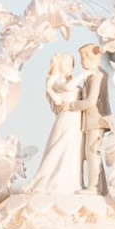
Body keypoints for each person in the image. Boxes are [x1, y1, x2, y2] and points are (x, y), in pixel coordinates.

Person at [28, 53, 83, 193]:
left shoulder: (66, 80)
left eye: (71, 64)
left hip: (76, 118)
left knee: (73, 150)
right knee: (62, 147)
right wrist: (86, 73)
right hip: (68, 119)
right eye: (66, 64)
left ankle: (71, 181)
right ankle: (52, 181)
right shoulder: (57, 80)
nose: (70, 67)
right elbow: (68, 88)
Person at [70, 42, 111, 193]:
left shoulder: (97, 76)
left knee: (92, 153)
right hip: (93, 120)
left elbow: (91, 101)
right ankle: (102, 187)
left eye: (83, 58)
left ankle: (94, 187)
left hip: (96, 120)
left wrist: (72, 105)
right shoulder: (92, 76)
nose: (81, 61)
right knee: (94, 153)